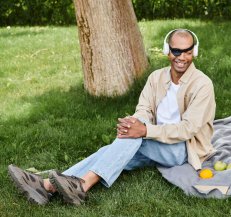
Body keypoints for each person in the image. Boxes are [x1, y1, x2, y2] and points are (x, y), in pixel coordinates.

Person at [8, 29, 216, 205]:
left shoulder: (202, 84)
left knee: (130, 140)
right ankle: (48, 187)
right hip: (154, 138)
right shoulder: (156, 77)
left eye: (187, 51)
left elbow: (188, 129)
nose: (181, 56)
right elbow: (144, 108)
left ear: (194, 52)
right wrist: (135, 124)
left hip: (182, 148)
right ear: (167, 51)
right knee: (114, 150)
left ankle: (80, 184)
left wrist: (143, 131)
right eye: (176, 50)